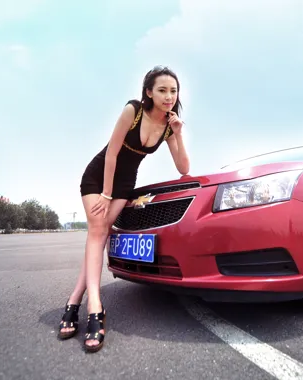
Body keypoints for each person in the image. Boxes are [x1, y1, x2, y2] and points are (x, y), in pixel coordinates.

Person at [57, 66, 190, 353]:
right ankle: (95, 307)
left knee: (100, 234)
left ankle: (74, 299)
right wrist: (105, 192)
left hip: (126, 183)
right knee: (97, 231)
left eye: (173, 91)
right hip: (99, 176)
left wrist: (178, 134)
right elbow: (113, 152)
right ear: (149, 92)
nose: (169, 96)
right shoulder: (133, 110)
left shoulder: (169, 125)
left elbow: (184, 169)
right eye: (162, 90)